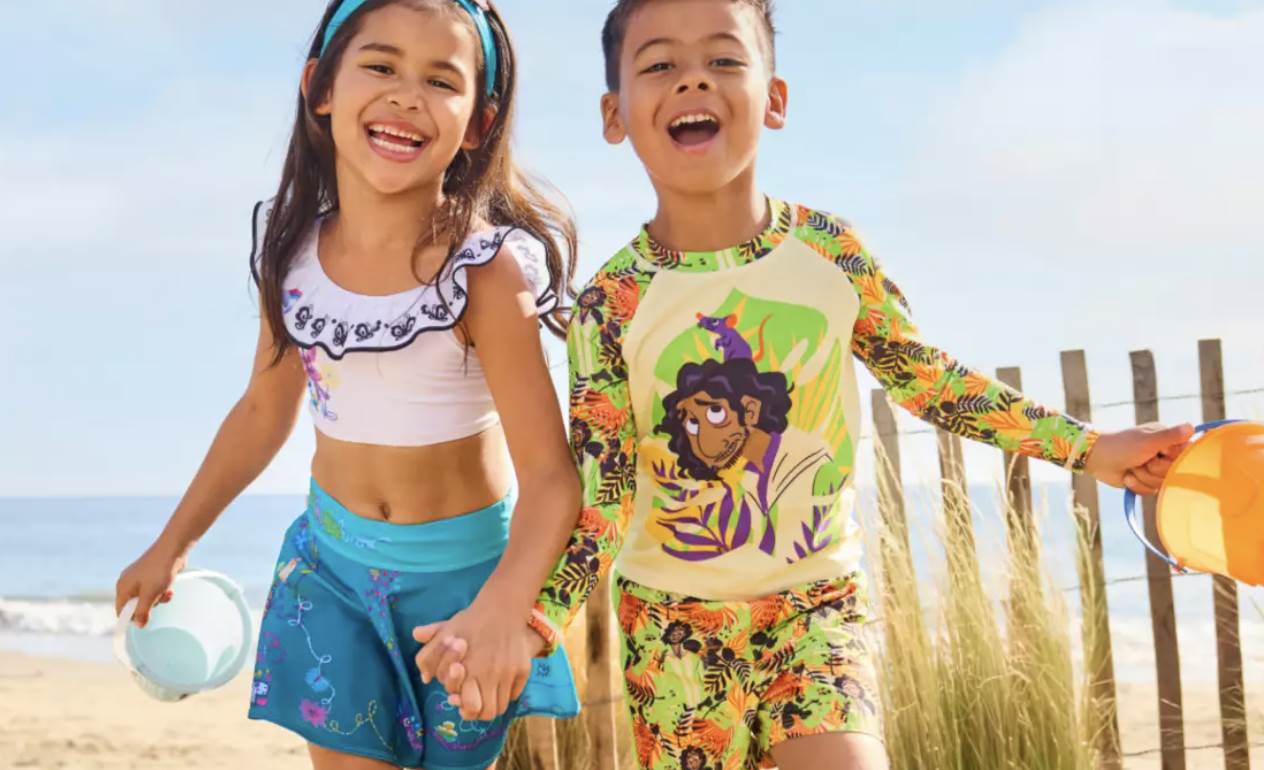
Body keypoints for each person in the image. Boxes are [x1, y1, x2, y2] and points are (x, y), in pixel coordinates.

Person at [418, 2, 1194, 768]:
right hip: (673, 632)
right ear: (614, 114)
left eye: (724, 59)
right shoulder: (610, 305)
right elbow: (605, 497)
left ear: (775, 99)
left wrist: (1092, 449)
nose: (694, 80)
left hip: (819, 609)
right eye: (660, 64)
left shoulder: (832, 254)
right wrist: (534, 621)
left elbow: (929, 381)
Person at [113, 2, 582, 768]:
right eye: (381, 65)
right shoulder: (292, 254)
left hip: (464, 590)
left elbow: (551, 479)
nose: (406, 95)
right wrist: (175, 540)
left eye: (441, 80)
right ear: (320, 87)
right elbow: (262, 411)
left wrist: (504, 606)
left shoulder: (487, 273)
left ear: (478, 123)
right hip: (331, 572)